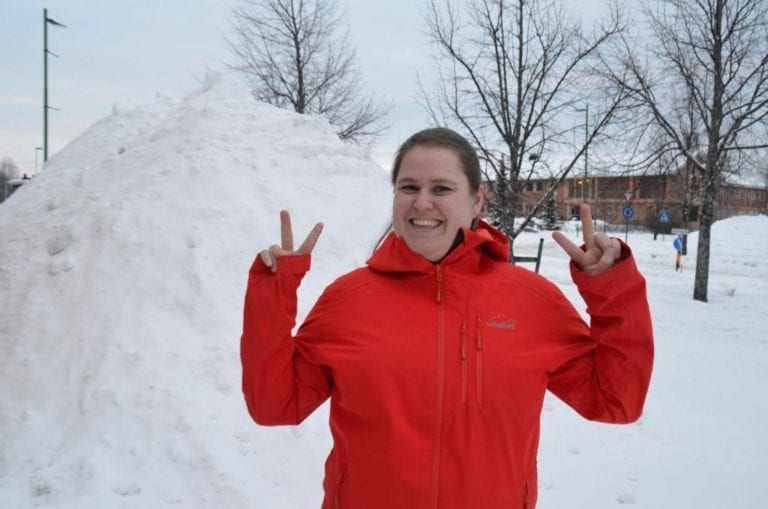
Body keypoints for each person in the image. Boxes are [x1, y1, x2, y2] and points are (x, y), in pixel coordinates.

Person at [241, 127, 654, 509]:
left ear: (475, 200)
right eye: (408, 187)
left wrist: (611, 289)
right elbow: (274, 406)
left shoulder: (532, 302)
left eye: (441, 188)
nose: (422, 202)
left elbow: (617, 401)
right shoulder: (348, 300)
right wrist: (273, 293)